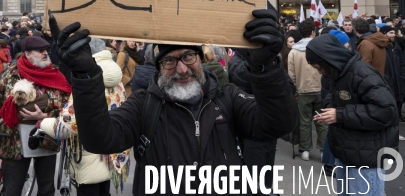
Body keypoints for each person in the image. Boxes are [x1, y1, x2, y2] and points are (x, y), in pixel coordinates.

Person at [52, 10, 297, 195]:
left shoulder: (228, 97)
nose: (181, 69)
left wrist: (266, 68)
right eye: (169, 61)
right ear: (159, 68)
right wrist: (85, 76)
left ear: (200, 59)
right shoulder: (143, 104)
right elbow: (99, 138)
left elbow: (278, 124)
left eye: (188, 56)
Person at [0, 36, 71, 196]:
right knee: (12, 190)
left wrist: (45, 115)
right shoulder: (12, 75)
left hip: (47, 138)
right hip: (14, 140)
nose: (45, 53)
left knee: (47, 190)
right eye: (40, 50)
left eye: (46, 50)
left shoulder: (55, 74)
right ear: (27, 54)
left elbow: (68, 109)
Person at [307, 34, 399, 195]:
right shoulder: (339, 73)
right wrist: (329, 108)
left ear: (329, 59)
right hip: (348, 152)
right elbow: (340, 99)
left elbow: (386, 110)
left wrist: (340, 114)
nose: (320, 72)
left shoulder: (361, 72)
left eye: (320, 67)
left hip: (366, 156)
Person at [40, 38, 130, 195]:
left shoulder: (86, 79)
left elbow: (68, 126)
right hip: (111, 153)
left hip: (90, 153)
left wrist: (42, 122)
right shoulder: (116, 76)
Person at [287, 20, 327, 161]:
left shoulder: (294, 51)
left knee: (304, 122)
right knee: (322, 121)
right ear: (312, 32)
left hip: (303, 90)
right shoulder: (320, 47)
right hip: (320, 89)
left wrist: (295, 91)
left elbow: (291, 75)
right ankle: (323, 150)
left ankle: (305, 150)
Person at [380, 25, 405, 140]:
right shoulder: (381, 48)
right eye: (391, 33)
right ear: (384, 34)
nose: (393, 35)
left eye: (394, 33)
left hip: (398, 84)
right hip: (387, 84)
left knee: (397, 110)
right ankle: (386, 134)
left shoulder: (397, 48)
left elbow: (402, 65)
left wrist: (402, 77)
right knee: (388, 111)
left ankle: (394, 133)